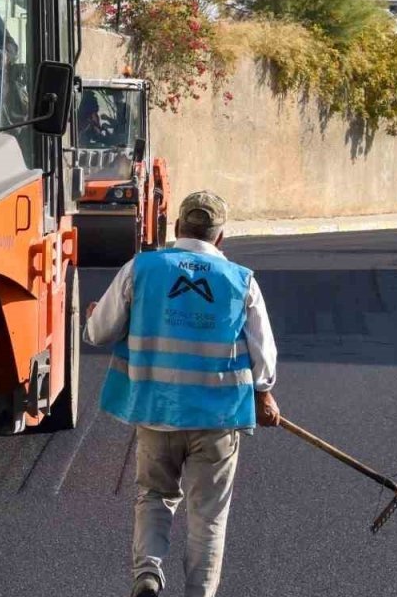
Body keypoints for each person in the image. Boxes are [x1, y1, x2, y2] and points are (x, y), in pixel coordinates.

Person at [84, 191, 280, 597]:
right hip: (218, 421)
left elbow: (99, 332)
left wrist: (91, 319)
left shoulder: (142, 268)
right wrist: (263, 395)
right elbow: (264, 357)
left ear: (176, 229)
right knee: (207, 517)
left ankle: (149, 575)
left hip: (156, 413)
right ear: (220, 238)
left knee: (154, 495)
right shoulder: (241, 282)